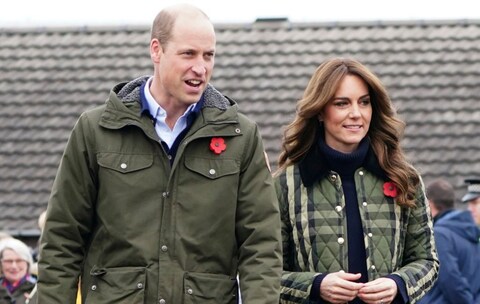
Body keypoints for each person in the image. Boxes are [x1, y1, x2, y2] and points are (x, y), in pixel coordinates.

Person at [37, 4, 282, 304]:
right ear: (156, 50)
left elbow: (261, 246)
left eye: (209, 55)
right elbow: (62, 239)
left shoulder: (241, 138)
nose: (201, 67)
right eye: (189, 54)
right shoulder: (96, 130)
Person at [273, 57, 439, 304]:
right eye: (342, 103)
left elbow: (428, 261)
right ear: (320, 111)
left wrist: (398, 284)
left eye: (364, 102)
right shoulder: (286, 184)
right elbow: (265, 272)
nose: (356, 114)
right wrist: (316, 285)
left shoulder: (404, 177)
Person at [418, 179, 480, 303]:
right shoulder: (470, 232)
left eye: (475, 203)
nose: (470, 209)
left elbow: (450, 280)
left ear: (429, 204)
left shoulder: (439, 234)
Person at [0, 238, 37, 304]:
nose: (14, 266)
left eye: (19, 261)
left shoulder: (38, 289)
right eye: (8, 261)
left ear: (27, 263)